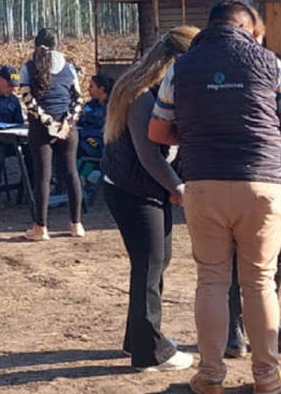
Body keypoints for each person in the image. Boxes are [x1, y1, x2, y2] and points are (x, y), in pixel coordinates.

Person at [149, 0, 281, 394]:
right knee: (258, 281)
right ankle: (267, 378)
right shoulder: (269, 62)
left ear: (211, 27)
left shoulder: (181, 67)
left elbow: (157, 133)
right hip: (260, 185)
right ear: (248, 28)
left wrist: (193, 139)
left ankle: (210, 376)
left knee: (210, 281)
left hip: (204, 185)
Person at [102, 26, 198, 373]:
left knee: (158, 259)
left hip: (145, 187)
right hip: (133, 189)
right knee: (149, 265)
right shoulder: (141, 95)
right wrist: (179, 187)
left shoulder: (157, 88)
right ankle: (149, 352)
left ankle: (138, 338)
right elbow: (149, 156)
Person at [226, 18, 281, 360]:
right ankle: (236, 330)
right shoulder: (267, 65)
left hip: (253, 176)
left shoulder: (260, 71)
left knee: (277, 251)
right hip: (250, 177)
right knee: (234, 260)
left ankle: (262, 325)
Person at [19, 28, 85, 240]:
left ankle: (41, 227)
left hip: (41, 129)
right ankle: (76, 224)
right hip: (68, 129)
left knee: (43, 177)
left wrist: (47, 121)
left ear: (36, 44)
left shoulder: (29, 67)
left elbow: (28, 100)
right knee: (71, 174)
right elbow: (78, 99)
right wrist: (66, 123)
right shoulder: (69, 67)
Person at [0, 65, 28, 202]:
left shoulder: (13, 99)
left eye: (14, 86)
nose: (11, 89)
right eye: (9, 85)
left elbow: (19, 121)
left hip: (11, 140)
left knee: (33, 149)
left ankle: (28, 189)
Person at [78, 73, 113, 160]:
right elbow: (81, 120)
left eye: (91, 86)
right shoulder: (91, 105)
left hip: (98, 142)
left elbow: (103, 131)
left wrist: (81, 132)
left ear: (101, 89)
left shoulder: (111, 108)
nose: (88, 89)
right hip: (83, 135)